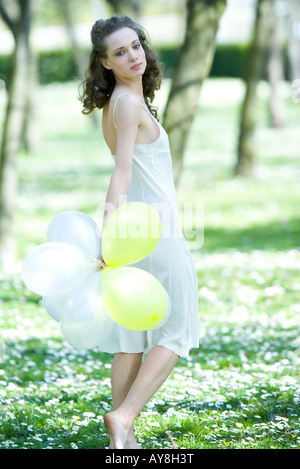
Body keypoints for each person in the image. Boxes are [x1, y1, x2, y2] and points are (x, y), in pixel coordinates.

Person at [79, 15, 199, 450]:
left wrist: (111, 237)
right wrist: (105, 229)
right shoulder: (129, 105)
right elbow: (123, 173)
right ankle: (124, 415)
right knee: (178, 332)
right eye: (120, 52)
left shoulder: (120, 104)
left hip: (135, 233)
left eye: (136, 46)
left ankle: (122, 443)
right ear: (105, 63)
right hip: (155, 231)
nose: (133, 56)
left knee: (131, 338)